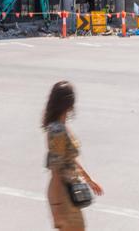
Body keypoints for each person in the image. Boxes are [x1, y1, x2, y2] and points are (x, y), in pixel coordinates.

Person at [42, 81, 103, 230]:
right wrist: (56, 207)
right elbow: (55, 171)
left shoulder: (61, 127)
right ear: (70, 103)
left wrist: (89, 179)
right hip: (62, 193)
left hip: (69, 191)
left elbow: (70, 159)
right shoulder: (58, 131)